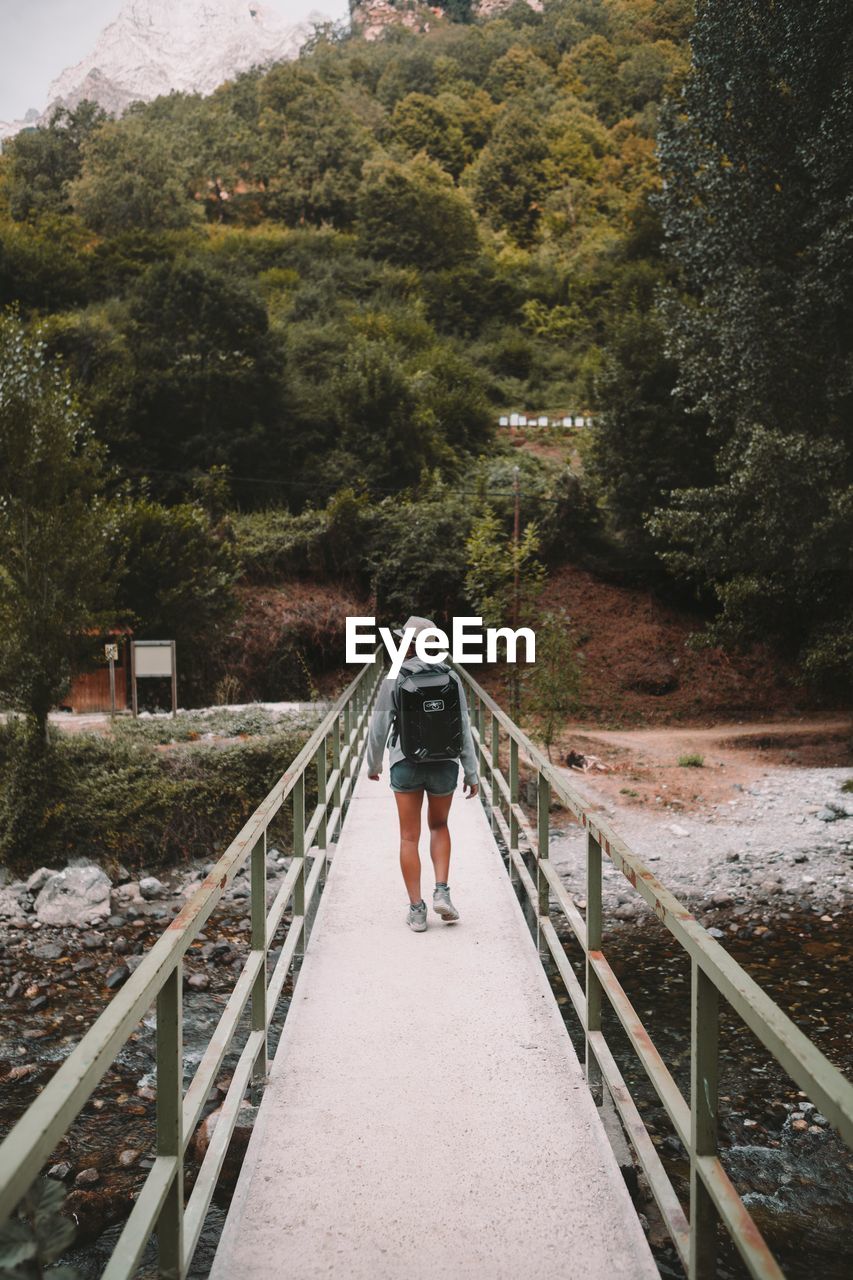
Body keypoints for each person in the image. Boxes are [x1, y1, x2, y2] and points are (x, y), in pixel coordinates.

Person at [366, 615, 479, 932]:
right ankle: (442, 890)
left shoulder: (394, 677)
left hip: (406, 764)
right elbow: (464, 728)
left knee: (408, 836)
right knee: (440, 826)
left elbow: (378, 729)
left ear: (410, 644)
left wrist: (374, 766)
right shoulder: (451, 677)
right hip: (445, 764)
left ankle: (417, 911)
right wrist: (471, 772)